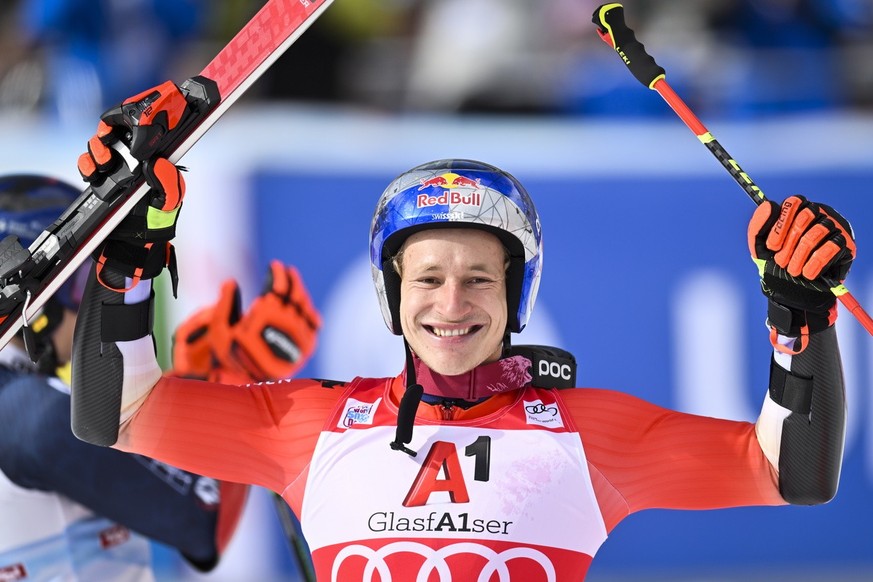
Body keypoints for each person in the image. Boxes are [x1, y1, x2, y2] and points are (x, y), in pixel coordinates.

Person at [69, 82, 853, 581]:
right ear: (391, 292)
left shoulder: (590, 435)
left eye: (480, 278)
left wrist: (798, 317)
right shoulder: (310, 425)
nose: (452, 303)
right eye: (427, 279)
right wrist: (128, 256)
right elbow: (114, 413)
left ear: (518, 294)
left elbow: (789, 474)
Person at [0, 174, 320, 581]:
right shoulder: (24, 412)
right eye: (79, 284)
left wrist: (201, 381)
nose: (87, 308)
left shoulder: (23, 401)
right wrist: (238, 373)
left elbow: (158, 476)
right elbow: (204, 518)